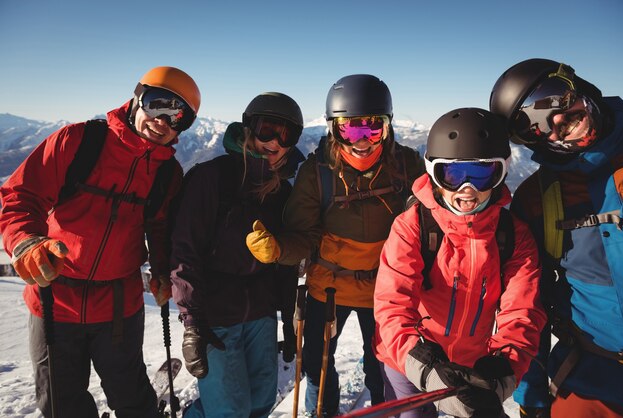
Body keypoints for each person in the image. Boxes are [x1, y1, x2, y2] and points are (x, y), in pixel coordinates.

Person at [0, 66, 200, 417]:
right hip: (53, 297)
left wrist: (163, 271)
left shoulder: (167, 173)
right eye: (158, 105)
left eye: (178, 118)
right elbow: (21, 196)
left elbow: (161, 228)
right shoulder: (79, 141)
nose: (163, 121)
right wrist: (26, 242)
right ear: (138, 96)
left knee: (132, 397)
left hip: (118, 306)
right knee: (61, 403)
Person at [246, 74, 424, 416]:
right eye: (349, 129)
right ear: (333, 129)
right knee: (317, 368)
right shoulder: (319, 172)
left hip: (387, 291)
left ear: (388, 128)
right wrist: (280, 250)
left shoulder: (407, 166)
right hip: (327, 288)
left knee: (384, 369)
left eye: (372, 128)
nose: (361, 141)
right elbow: (305, 235)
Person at [373, 107, 547, 418]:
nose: (468, 190)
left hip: (474, 366)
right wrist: (425, 367)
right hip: (410, 360)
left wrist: (502, 369)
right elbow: (392, 305)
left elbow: (522, 311)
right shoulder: (413, 225)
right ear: (433, 174)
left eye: (482, 174)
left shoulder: (512, 235)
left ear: (501, 173)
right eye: (452, 175)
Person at [489, 58, 623, 418]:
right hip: (595, 376)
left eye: (553, 100)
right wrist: (531, 397)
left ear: (574, 84)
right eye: (530, 126)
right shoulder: (537, 199)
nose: (554, 124)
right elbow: (527, 301)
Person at [170, 92, 304, 417]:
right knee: (229, 411)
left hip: (261, 314)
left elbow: (283, 264)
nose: (273, 141)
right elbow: (184, 250)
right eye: (266, 129)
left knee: (260, 402)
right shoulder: (211, 178)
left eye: (285, 134)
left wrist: (287, 317)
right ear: (248, 129)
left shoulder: (282, 192)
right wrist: (193, 322)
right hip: (215, 315)